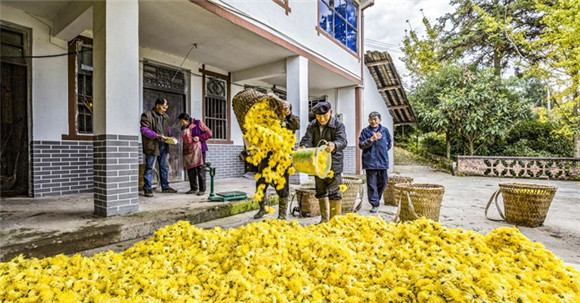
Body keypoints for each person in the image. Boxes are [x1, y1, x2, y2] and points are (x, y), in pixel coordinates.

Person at [299, 101, 347, 223]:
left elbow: (343, 141)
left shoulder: (338, 125)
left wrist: (334, 145)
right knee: (320, 191)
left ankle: (335, 221)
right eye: (319, 116)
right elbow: (307, 139)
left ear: (330, 112)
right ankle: (324, 220)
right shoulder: (312, 125)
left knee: (334, 192)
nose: (322, 119)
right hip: (317, 164)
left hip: (334, 163)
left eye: (325, 115)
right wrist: (304, 146)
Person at [253, 100, 300, 220]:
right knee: (260, 183)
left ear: (290, 109)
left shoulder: (291, 120)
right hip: (267, 156)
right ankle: (263, 208)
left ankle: (282, 215)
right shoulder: (270, 120)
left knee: (282, 186)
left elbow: (296, 125)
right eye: (281, 107)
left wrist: (288, 114)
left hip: (282, 158)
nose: (283, 109)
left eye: (286, 107)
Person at [140, 98, 178, 197]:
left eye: (166, 107)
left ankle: (165, 186)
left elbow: (167, 129)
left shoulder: (165, 116)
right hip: (152, 145)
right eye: (163, 107)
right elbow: (144, 130)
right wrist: (157, 136)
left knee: (164, 167)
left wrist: (170, 135)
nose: (165, 109)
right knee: (149, 167)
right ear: (157, 105)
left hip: (163, 145)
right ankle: (147, 188)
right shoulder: (147, 115)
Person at [358, 111, 392, 213]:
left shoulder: (385, 131)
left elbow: (389, 144)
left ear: (379, 120)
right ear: (369, 120)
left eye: (375, 119)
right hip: (370, 162)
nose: (373, 121)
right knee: (372, 184)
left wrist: (382, 152)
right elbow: (361, 145)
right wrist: (371, 139)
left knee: (383, 182)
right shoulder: (365, 131)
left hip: (382, 161)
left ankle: (376, 198)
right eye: (371, 119)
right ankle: (374, 204)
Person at [178, 113, 212, 196]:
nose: (182, 124)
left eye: (183, 122)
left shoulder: (198, 123)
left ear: (187, 119)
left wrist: (199, 138)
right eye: (181, 122)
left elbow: (209, 133)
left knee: (200, 169)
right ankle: (193, 188)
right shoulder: (183, 128)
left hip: (199, 150)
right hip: (189, 151)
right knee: (191, 170)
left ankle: (202, 189)